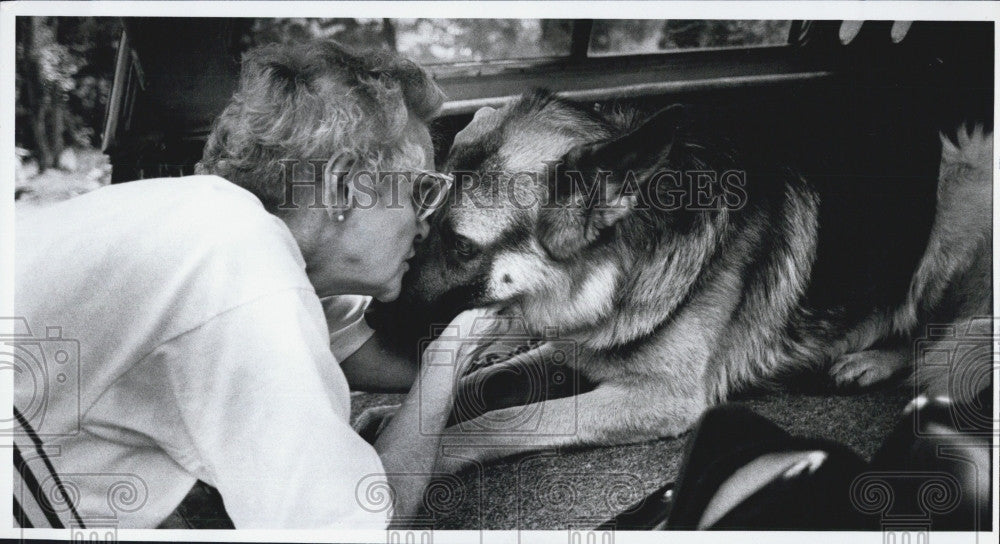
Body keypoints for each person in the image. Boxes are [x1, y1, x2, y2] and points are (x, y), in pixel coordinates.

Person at [13, 39, 485, 529]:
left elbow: (378, 362)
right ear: (344, 186)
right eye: (421, 191)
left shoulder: (220, 230)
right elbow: (363, 528)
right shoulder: (241, 271)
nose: (426, 223)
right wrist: (448, 361)